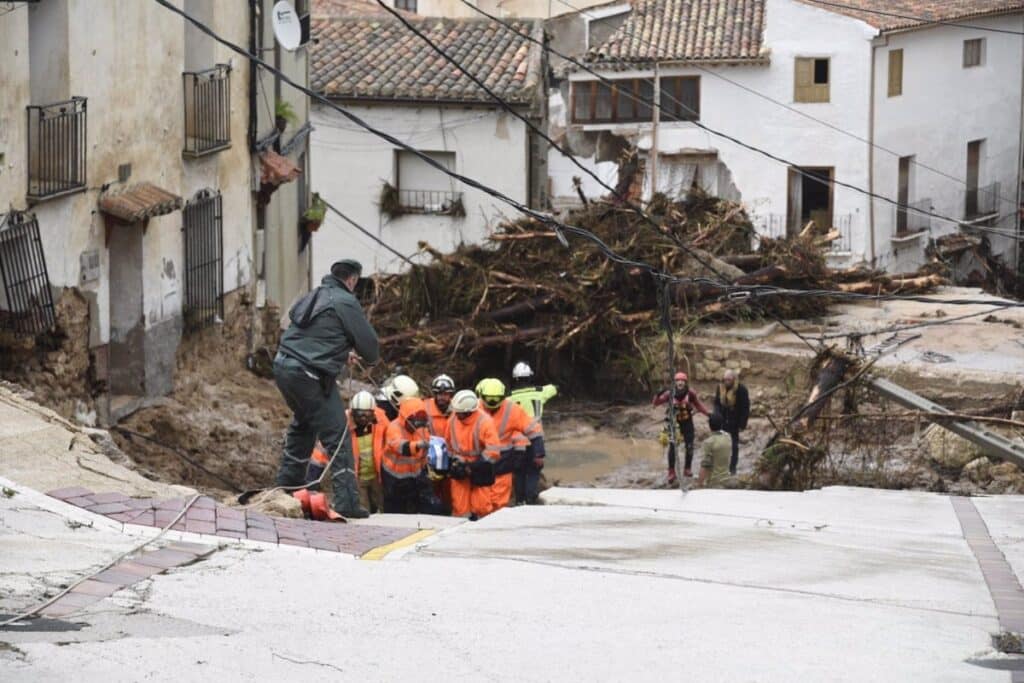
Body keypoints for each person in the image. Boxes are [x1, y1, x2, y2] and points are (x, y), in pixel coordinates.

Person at [273, 259, 379, 519]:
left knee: (305, 423)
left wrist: (341, 352)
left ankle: (288, 486)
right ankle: (347, 502)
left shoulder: (315, 295)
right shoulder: (346, 301)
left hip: (283, 367)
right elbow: (371, 350)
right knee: (338, 434)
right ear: (352, 280)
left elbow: (311, 336)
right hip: (310, 375)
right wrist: (353, 348)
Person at [477, 377, 546, 507]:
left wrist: (539, 452)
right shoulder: (474, 408)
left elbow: (533, 429)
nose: (492, 402)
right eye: (488, 398)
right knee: (480, 503)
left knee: (499, 504)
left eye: (496, 398)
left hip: (503, 463)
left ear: (503, 396)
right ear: (481, 396)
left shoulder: (512, 410)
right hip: (480, 462)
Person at [445, 390, 502, 520]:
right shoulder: (453, 419)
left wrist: (472, 466)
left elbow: (493, 451)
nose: (456, 414)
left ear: (468, 411)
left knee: (482, 507)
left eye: (459, 412)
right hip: (459, 467)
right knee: (460, 508)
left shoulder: (485, 422)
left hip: (481, 468)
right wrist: (451, 463)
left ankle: (482, 534)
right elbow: (448, 444)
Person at [382, 398, 442, 514]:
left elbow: (424, 451)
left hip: (416, 476)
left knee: (428, 506)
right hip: (395, 478)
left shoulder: (422, 429)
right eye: (415, 420)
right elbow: (398, 446)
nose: (418, 425)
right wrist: (417, 445)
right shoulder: (394, 428)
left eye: (421, 420)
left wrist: (427, 467)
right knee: (396, 511)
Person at [653, 371, 709, 484]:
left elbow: (698, 405)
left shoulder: (691, 393)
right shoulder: (669, 394)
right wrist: (657, 394)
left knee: (689, 446)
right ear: (675, 382)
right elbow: (655, 403)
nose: (680, 382)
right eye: (678, 380)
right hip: (674, 423)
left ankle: (687, 469)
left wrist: (708, 414)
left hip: (687, 422)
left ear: (685, 382)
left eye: (682, 381)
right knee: (673, 447)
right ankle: (671, 471)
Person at [714, 369, 750, 475]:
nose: (726, 382)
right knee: (720, 445)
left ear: (734, 380)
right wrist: (716, 416)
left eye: (729, 380)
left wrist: (742, 424)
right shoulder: (720, 388)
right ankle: (721, 467)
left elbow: (745, 408)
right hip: (722, 420)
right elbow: (716, 403)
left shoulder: (741, 390)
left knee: (734, 446)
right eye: (725, 380)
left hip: (735, 421)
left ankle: (732, 467)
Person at [697, 413, 732, 488]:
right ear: (722, 424)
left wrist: (699, 484)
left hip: (714, 482)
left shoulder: (709, 442)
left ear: (709, 426)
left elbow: (705, 465)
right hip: (727, 480)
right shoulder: (728, 438)